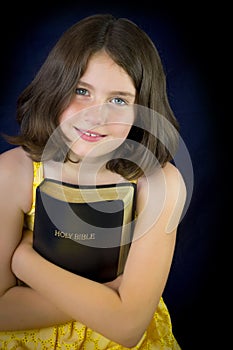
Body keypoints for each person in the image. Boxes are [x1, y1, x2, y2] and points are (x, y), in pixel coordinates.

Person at [0, 13, 187, 349]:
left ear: (142, 109)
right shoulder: (13, 173)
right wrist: (110, 298)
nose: (95, 116)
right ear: (55, 86)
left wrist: (24, 262)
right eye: (81, 90)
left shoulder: (159, 183)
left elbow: (128, 328)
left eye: (118, 100)